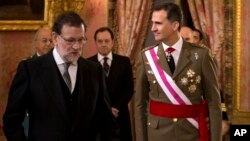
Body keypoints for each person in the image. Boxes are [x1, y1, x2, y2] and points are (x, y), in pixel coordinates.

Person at [3, 11, 116, 141]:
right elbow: (11, 121)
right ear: (55, 38)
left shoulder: (94, 71)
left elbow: (108, 122)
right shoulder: (30, 69)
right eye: (70, 40)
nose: (77, 46)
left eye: (81, 40)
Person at [134, 2, 222, 141]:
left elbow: (214, 104)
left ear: (175, 25)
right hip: (157, 135)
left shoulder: (201, 55)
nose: (153, 28)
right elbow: (139, 105)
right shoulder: (146, 57)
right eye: (152, 23)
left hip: (191, 133)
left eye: (158, 23)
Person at [88, 27, 134, 141]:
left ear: (112, 42)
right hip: (97, 118)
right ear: (95, 43)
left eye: (107, 41)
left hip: (120, 116)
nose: (103, 44)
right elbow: (88, 92)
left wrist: (116, 108)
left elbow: (129, 89)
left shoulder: (124, 62)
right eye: (100, 41)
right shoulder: (87, 64)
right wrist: (105, 109)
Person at [191, 28, 230, 139]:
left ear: (201, 41)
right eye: (189, 38)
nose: (192, 41)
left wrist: (223, 118)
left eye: (195, 38)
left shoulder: (207, 58)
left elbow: (215, 91)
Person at [21, 26, 53, 138]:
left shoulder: (61, 65)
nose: (48, 44)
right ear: (36, 43)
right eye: (44, 41)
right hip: (33, 120)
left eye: (51, 40)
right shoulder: (26, 66)